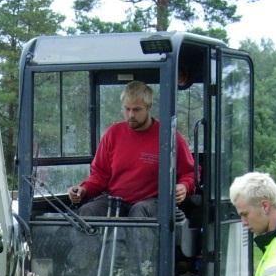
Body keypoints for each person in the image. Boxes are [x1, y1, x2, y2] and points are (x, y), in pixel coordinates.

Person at [67, 80, 195, 217]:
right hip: (116, 201)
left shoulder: (169, 136)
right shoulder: (113, 134)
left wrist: (184, 186)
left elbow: (190, 172)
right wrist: (83, 189)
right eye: (127, 109)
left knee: (139, 212)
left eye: (137, 109)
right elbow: (99, 174)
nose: (131, 115)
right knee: (88, 211)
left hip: (152, 203)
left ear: (149, 107)